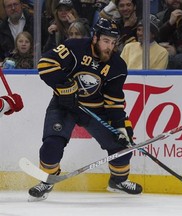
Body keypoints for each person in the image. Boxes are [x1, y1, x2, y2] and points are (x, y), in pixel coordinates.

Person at [28, 17, 143, 202]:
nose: (109, 47)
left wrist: (121, 126)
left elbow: (114, 101)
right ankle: (47, 180)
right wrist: (65, 86)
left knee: (122, 145)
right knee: (52, 144)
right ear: (95, 37)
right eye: (106, 41)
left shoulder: (117, 66)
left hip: (96, 110)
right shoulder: (74, 47)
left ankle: (118, 181)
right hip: (64, 105)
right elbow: (45, 64)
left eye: (113, 42)